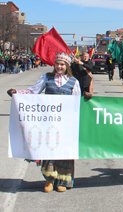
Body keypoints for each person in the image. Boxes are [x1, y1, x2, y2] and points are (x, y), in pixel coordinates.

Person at [7, 52, 81, 192]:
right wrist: (17, 93)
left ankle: (63, 181)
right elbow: (33, 91)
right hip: (48, 122)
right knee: (49, 148)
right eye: (57, 64)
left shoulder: (73, 82)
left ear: (67, 66)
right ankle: (49, 179)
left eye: (62, 65)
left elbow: (77, 103)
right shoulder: (46, 78)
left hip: (65, 123)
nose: (59, 67)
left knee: (64, 151)